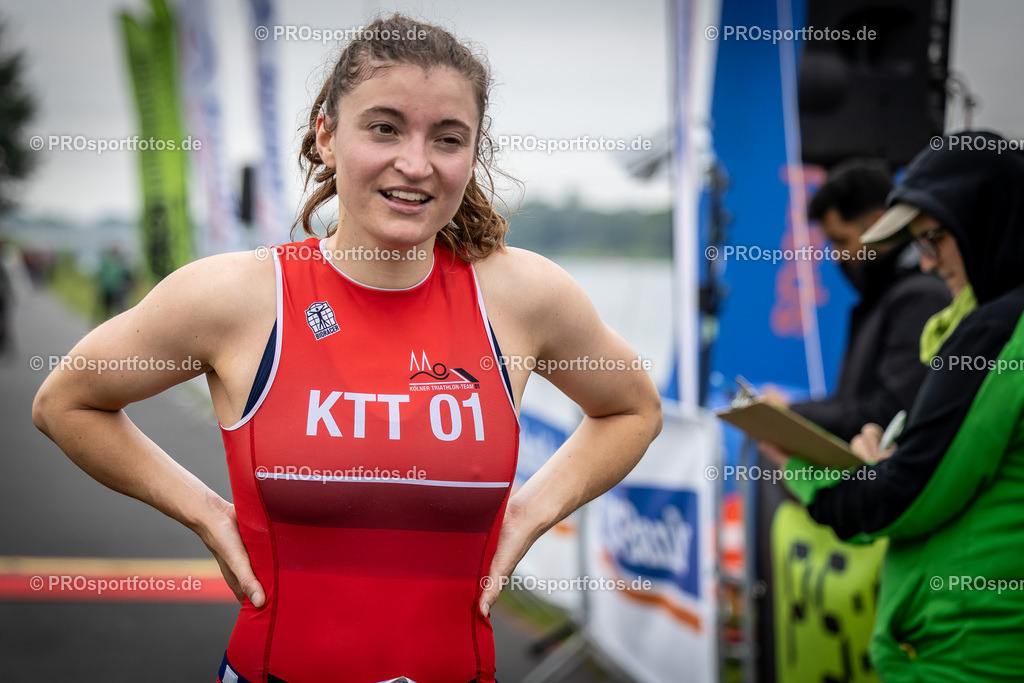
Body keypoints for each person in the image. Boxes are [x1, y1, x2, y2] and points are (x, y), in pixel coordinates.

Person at [31, 15, 662, 683]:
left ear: (471, 155)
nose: (415, 164)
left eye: (447, 139)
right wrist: (207, 513)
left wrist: (530, 515)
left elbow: (633, 409)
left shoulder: (521, 296)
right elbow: (67, 401)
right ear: (328, 137)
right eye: (385, 127)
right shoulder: (239, 296)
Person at [765, 130, 1024, 681]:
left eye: (933, 240)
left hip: (974, 649)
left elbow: (909, 491)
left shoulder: (1001, 328)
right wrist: (897, 451)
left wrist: (802, 471)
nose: (927, 263)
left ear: (985, 221)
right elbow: (943, 453)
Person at [785, 159, 951, 440]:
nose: (837, 256)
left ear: (877, 223)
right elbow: (856, 405)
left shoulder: (919, 296)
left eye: (842, 240)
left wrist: (790, 413)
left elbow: (889, 412)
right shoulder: (882, 295)